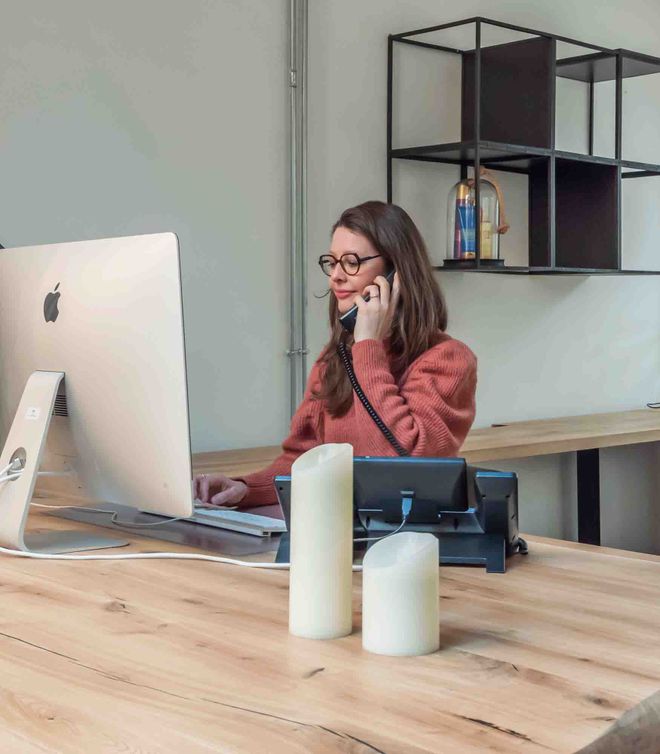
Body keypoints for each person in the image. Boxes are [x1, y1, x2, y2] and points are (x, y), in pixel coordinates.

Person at [193, 201, 477, 508]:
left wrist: (369, 346)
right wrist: (245, 489)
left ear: (396, 272)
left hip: (404, 544)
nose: (336, 277)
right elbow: (303, 461)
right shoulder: (336, 361)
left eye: (352, 262)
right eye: (332, 262)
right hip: (337, 534)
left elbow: (400, 469)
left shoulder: (448, 361)